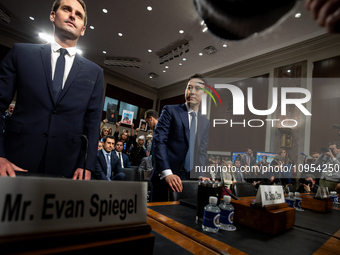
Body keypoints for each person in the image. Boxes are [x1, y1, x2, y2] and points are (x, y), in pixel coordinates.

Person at [0, 0, 104, 179]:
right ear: (53, 15)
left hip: (67, 168)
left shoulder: (95, 73)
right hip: (15, 161)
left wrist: (86, 165)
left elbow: (93, 124)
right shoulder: (21, 53)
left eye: (79, 15)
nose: (73, 15)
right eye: (66, 9)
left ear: (83, 29)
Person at [151, 74, 210, 202]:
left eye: (197, 88)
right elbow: (159, 142)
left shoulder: (205, 122)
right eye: (189, 87)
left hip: (189, 181)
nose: (192, 92)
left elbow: (202, 152)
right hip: (166, 179)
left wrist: (200, 174)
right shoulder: (170, 111)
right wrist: (167, 173)